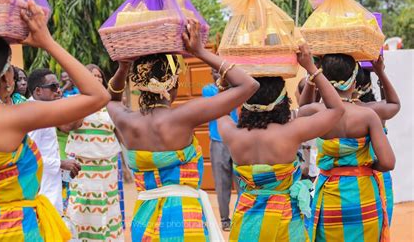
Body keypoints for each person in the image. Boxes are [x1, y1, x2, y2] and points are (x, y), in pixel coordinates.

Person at [0, 0, 110, 241]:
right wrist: (47, 42)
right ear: (6, 76)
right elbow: (99, 95)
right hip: (16, 231)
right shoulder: (16, 117)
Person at [106, 20, 258, 241]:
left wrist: (122, 68)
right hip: (183, 220)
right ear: (173, 84)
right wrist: (200, 52)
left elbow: (110, 98)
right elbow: (249, 85)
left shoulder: (126, 120)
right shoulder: (183, 117)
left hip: (143, 218)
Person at [216, 44, 345, 241]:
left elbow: (221, 109)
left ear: (245, 100)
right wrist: (311, 68)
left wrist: (223, 86)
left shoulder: (230, 132)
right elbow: (337, 109)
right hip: (285, 223)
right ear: (282, 98)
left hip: (247, 224)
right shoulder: (292, 131)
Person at [298, 53, 395, 242]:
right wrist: (365, 167)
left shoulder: (318, 112)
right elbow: (388, 162)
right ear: (354, 80)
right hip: (363, 196)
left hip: (329, 196)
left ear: (323, 79)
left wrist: (312, 74)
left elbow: (303, 108)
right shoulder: (368, 116)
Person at [65, 64, 124, 241]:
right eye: (92, 76)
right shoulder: (75, 100)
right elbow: (69, 127)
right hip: (84, 166)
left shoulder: (110, 103)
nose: (97, 79)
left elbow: (119, 133)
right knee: (83, 205)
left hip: (108, 165)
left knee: (107, 204)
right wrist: (88, 102)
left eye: (99, 76)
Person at [27, 68, 82, 214]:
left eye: (58, 86)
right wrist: (62, 163)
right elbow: (28, 156)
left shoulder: (44, 110)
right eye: (53, 87)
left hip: (50, 185)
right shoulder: (33, 114)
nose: (58, 91)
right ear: (38, 91)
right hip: (40, 190)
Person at [353, 57, 400, 225]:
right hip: (379, 174)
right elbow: (392, 103)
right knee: (381, 225)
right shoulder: (376, 111)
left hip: (352, 177)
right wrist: (380, 71)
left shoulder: (339, 113)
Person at [202, 68, 239, 231]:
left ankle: (240, 215)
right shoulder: (208, 90)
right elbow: (218, 102)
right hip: (218, 141)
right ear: (211, 74)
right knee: (222, 184)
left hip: (238, 140)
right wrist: (224, 84)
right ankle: (225, 219)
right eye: (214, 71)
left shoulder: (238, 88)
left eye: (221, 71)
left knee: (241, 182)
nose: (218, 73)